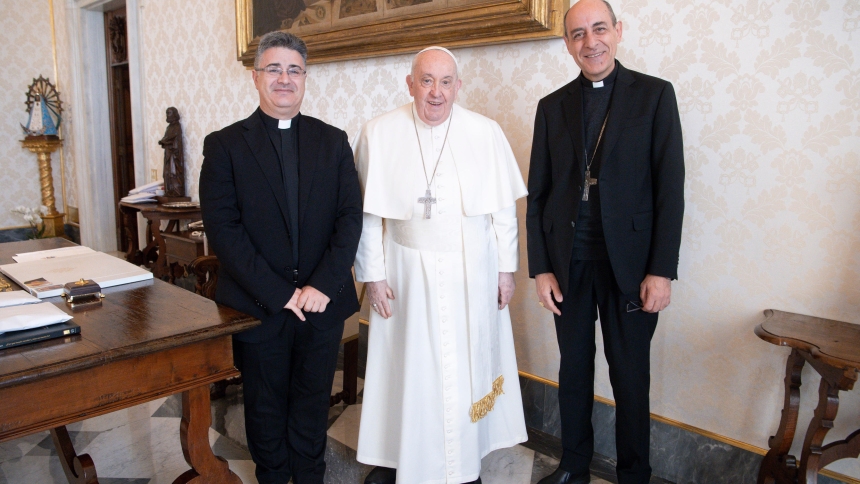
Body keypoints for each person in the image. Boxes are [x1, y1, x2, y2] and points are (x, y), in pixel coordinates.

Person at [353, 46, 528, 484]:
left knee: (465, 369)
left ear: (458, 86)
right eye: (426, 81)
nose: (436, 92)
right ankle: (402, 460)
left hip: (472, 273)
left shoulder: (484, 132)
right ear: (410, 84)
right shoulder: (379, 132)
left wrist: (506, 271)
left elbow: (503, 212)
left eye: (445, 82)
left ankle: (463, 466)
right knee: (410, 371)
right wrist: (372, 276)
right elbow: (366, 215)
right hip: (405, 273)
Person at [526, 0, 685, 483]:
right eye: (577, 34)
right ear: (567, 43)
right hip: (568, 265)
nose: (589, 42)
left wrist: (662, 270)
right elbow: (538, 194)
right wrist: (541, 268)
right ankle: (573, 466)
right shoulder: (551, 107)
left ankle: (634, 474)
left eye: (599, 29)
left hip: (632, 268)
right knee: (573, 373)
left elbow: (670, 188)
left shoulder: (655, 96)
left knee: (630, 378)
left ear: (618, 31)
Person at [199, 31, 362, 484]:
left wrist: (321, 286)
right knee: (265, 410)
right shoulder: (225, 145)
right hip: (257, 305)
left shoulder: (333, 141)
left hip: (320, 305)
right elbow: (224, 231)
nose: (284, 79)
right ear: (255, 78)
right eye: (274, 69)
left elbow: (350, 218)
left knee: (312, 407)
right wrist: (279, 292)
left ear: (305, 78)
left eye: (294, 70)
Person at [159, 107, 185, 197]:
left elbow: (173, 138)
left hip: (174, 154)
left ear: (174, 114)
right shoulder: (169, 127)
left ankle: (176, 191)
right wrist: (163, 141)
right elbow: (167, 137)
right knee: (167, 172)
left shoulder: (177, 126)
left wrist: (164, 141)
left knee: (174, 173)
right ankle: (169, 190)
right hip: (168, 153)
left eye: (169, 113)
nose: (167, 115)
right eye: (167, 113)